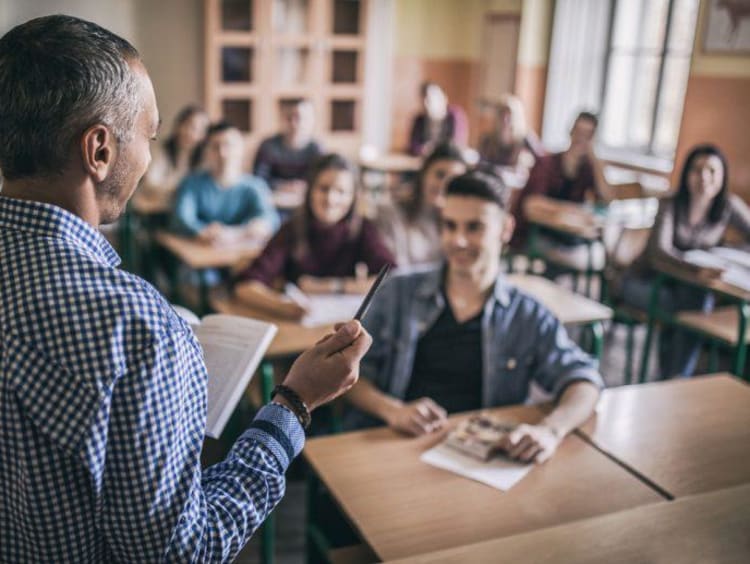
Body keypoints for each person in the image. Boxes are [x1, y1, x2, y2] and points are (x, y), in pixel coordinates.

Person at [0, 15, 371, 562]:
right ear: (99, 151)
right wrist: (294, 403)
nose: (149, 158)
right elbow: (183, 552)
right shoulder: (134, 327)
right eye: (149, 137)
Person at [346, 171, 602, 463]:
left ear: (505, 229)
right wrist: (393, 410)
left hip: (482, 457)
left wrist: (550, 431)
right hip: (396, 447)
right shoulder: (398, 293)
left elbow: (584, 380)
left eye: (475, 228)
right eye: (450, 226)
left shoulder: (527, 314)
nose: (459, 240)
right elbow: (351, 376)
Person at [617, 144, 750, 378]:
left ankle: (671, 377)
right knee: (695, 310)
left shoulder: (728, 206)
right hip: (643, 283)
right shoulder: (669, 203)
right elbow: (658, 255)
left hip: (685, 291)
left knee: (694, 304)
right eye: (697, 170)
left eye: (712, 171)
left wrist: (729, 252)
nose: (704, 178)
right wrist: (697, 269)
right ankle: (675, 378)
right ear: (686, 173)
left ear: (722, 177)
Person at [235, 153, 396, 319]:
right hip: (297, 326)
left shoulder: (362, 228)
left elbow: (391, 277)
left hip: (341, 324)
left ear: (353, 198)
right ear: (310, 190)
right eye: (324, 189)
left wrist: (330, 286)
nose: (331, 199)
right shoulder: (291, 229)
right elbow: (245, 286)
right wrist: (283, 307)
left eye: (341, 191)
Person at [511, 111, 615, 272]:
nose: (581, 139)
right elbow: (531, 204)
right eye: (579, 132)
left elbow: (607, 199)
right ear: (571, 131)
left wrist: (595, 158)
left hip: (566, 235)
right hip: (537, 233)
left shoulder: (587, 168)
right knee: (572, 258)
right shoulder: (547, 163)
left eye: (588, 135)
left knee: (599, 252)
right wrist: (570, 210)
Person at [171, 121, 280, 245]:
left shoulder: (256, 186)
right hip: (201, 254)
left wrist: (232, 234)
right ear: (206, 151)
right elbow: (181, 219)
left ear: (241, 149)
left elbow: (269, 219)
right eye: (215, 147)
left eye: (229, 145)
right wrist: (204, 232)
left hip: (241, 256)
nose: (223, 153)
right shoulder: (191, 184)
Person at [374, 143, 467, 268]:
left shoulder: (458, 224)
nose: (444, 185)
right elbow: (393, 269)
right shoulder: (390, 213)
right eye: (440, 175)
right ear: (424, 174)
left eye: (454, 180)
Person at [134, 104, 209, 210]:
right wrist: (180, 190)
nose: (190, 132)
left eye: (198, 130)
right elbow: (150, 183)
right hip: (156, 210)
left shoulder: (206, 159)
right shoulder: (161, 152)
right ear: (178, 126)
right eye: (188, 125)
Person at [253, 98, 323, 193]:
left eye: (299, 118)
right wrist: (282, 186)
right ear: (281, 118)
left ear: (311, 120)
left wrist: (304, 186)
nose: (294, 124)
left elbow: (322, 179)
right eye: (289, 118)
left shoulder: (316, 149)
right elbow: (258, 179)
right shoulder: (268, 146)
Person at [478, 94, 544, 187]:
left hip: (515, 186)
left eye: (509, 115)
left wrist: (526, 169)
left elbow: (542, 163)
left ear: (517, 117)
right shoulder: (488, 139)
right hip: (491, 184)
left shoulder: (526, 138)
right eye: (502, 114)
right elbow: (480, 165)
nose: (505, 119)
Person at [408, 81, 469, 156]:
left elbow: (456, 146)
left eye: (431, 98)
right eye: (424, 99)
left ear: (444, 98)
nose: (426, 103)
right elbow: (413, 147)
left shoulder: (455, 115)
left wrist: (430, 149)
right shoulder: (419, 119)